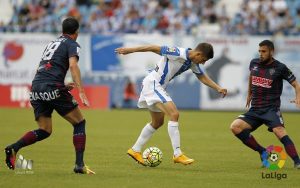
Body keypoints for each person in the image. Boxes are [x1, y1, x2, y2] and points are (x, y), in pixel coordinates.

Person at [4, 17, 95, 174]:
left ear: (62, 30)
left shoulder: (52, 44)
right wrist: (81, 90)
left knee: (45, 130)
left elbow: (47, 67)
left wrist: (61, 86)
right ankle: (79, 165)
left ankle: (13, 148)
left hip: (36, 87)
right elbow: (73, 66)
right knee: (79, 122)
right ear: (77, 32)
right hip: (52, 87)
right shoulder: (72, 44)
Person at [115, 43, 227, 165]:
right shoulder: (177, 52)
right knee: (174, 114)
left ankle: (135, 150)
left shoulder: (193, 62)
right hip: (153, 84)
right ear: (198, 54)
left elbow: (202, 77)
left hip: (156, 86)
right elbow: (153, 47)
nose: (203, 63)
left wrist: (218, 88)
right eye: (204, 60)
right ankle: (177, 154)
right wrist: (129, 50)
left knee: (157, 122)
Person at [230, 40, 300, 169]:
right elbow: (252, 76)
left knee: (279, 132)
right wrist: (249, 93)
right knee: (235, 127)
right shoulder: (254, 63)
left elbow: (296, 84)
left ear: (271, 52)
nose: (261, 54)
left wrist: (298, 98)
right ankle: (263, 152)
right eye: (259, 51)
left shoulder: (280, 67)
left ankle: (297, 161)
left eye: (264, 51)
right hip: (255, 109)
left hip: (271, 109)